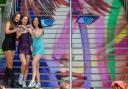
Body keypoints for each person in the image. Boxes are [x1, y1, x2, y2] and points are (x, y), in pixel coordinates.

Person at [2, 13, 21, 88]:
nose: (18, 18)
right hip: (7, 44)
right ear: (14, 17)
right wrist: (15, 29)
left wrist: (20, 31)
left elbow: (17, 37)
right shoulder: (9, 22)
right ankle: (13, 82)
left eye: (19, 18)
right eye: (17, 16)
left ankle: (5, 81)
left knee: (9, 63)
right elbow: (7, 32)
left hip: (13, 45)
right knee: (10, 63)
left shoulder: (17, 26)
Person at [27, 17, 45, 88]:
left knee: (33, 63)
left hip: (40, 49)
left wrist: (32, 28)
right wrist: (27, 28)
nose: (35, 21)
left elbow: (37, 36)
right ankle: (39, 83)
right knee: (36, 67)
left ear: (39, 22)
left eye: (36, 20)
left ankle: (33, 80)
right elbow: (32, 35)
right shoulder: (32, 29)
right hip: (34, 49)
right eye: (34, 20)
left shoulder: (41, 30)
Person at [16, 15, 32, 87]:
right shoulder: (19, 27)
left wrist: (29, 28)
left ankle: (24, 81)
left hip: (28, 48)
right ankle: (21, 76)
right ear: (21, 20)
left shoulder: (29, 27)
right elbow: (17, 36)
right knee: (24, 63)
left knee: (27, 65)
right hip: (21, 48)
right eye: (24, 19)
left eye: (26, 19)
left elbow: (33, 35)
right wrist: (22, 29)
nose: (25, 20)